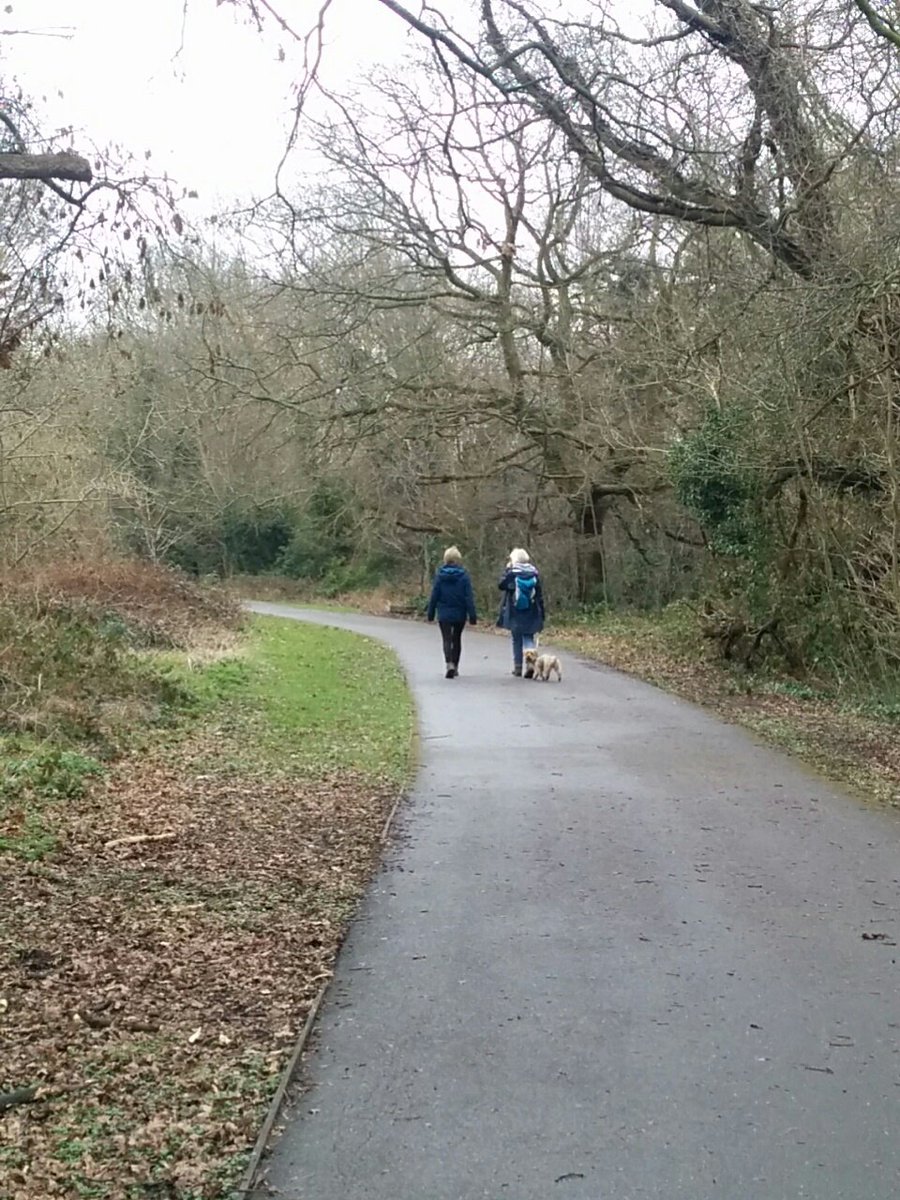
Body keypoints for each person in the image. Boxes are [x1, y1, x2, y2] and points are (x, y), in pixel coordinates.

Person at [426, 545, 477, 679]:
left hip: (444, 613)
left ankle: (449, 663)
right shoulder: (464, 576)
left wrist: (430, 613)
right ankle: (455, 665)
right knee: (457, 639)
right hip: (460, 613)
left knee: (447, 639)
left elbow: (434, 595)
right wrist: (472, 615)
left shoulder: (439, 576)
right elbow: (468, 597)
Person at [497, 547, 545, 677]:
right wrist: (542, 614)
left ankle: (517, 667)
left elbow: (501, 585)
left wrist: (508, 570)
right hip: (531, 610)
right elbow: (539, 596)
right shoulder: (534, 574)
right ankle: (530, 664)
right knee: (528, 637)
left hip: (515, 610)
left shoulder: (512, 573)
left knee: (516, 638)